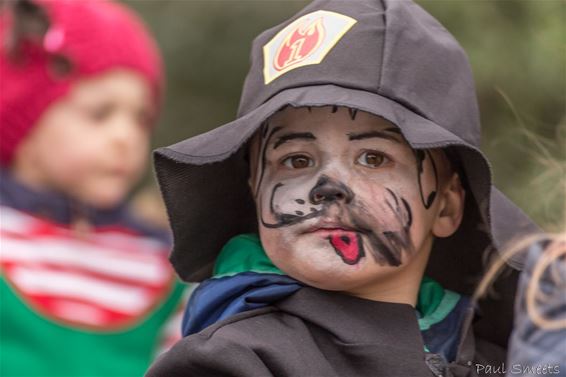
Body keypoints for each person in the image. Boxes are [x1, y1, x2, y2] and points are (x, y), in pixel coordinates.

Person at [146, 1, 539, 376]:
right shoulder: (231, 364)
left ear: (448, 206)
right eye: (297, 160)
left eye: (373, 158)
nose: (328, 188)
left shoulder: (510, 362)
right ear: (255, 190)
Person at [0, 1, 186, 376]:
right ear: (25, 123)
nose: (126, 137)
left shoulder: (162, 266)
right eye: (99, 114)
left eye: (140, 117)